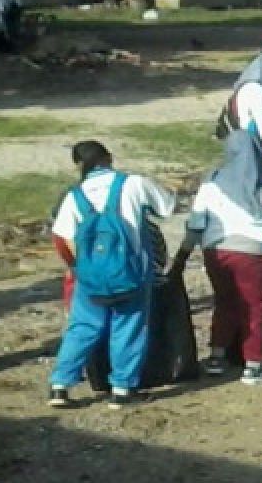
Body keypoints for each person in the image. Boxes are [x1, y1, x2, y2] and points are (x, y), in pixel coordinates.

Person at [48, 141, 177, 409]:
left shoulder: (75, 195)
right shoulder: (134, 184)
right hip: (132, 272)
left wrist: (81, 267)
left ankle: (60, 386)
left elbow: (64, 236)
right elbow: (167, 208)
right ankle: (121, 389)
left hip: (91, 275)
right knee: (128, 329)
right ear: (108, 158)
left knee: (82, 328)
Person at [175, 131, 262, 385]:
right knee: (256, 309)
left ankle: (216, 357)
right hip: (252, 253)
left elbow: (196, 222)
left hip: (216, 252)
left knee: (225, 302)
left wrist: (182, 256)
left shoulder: (212, 181)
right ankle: (254, 366)